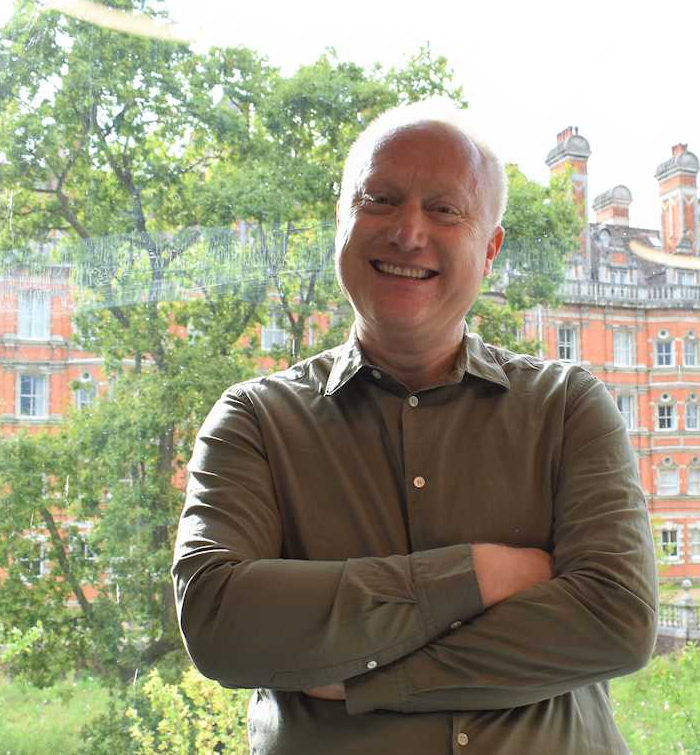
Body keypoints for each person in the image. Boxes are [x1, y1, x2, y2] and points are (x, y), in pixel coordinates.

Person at [172, 104, 659, 754]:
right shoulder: (254, 421)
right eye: (380, 199)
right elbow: (220, 623)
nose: (408, 232)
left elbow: (617, 619)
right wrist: (478, 574)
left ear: (490, 250)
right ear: (341, 222)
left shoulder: (566, 407)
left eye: (445, 209)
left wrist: (370, 680)